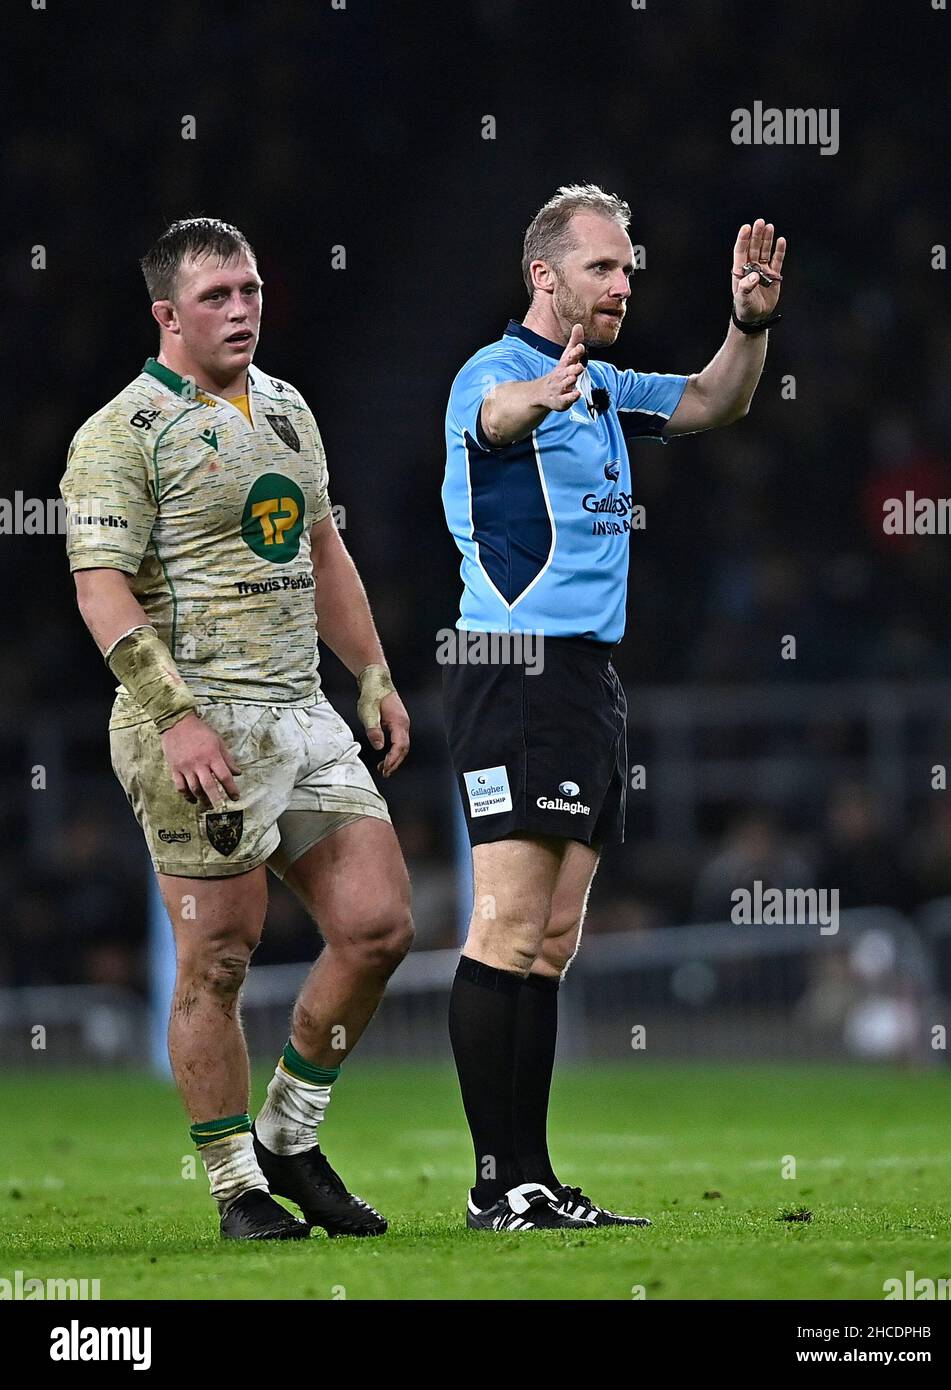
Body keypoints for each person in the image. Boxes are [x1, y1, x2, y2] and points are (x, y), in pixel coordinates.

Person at [60, 218, 413, 1240]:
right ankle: (234, 1188)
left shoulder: (290, 407)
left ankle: (290, 1138)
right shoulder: (118, 434)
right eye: (217, 296)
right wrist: (176, 722)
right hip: (198, 722)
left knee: (380, 924)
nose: (242, 309)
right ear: (168, 314)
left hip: (301, 712)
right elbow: (100, 593)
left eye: (251, 289)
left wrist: (375, 672)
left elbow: (323, 548)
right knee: (220, 959)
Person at [441, 184, 786, 1230]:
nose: (623, 283)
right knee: (502, 924)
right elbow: (493, 421)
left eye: (628, 267)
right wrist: (532, 400)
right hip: (516, 665)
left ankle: (532, 1177)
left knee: (551, 938)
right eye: (602, 267)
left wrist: (750, 326)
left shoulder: (603, 386)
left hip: (589, 676)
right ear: (545, 276)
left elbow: (714, 400)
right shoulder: (497, 375)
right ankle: (496, 1182)